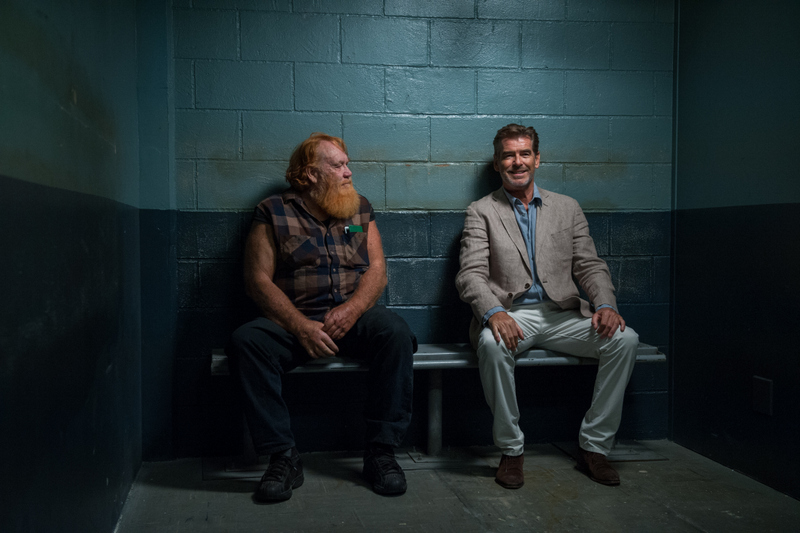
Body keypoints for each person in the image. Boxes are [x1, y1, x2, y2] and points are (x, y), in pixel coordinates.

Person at [226, 133, 416, 502]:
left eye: (347, 164)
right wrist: (300, 327)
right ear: (311, 174)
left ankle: (381, 452)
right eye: (338, 165)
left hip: (352, 318)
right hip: (295, 323)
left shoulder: (359, 210)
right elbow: (257, 280)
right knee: (246, 342)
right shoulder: (273, 211)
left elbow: (377, 270)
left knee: (396, 333)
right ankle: (283, 457)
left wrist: (352, 309)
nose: (348, 172)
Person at [455, 124, 639, 488]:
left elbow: (589, 265)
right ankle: (511, 450)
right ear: (498, 162)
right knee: (491, 345)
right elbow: (470, 275)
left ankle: (595, 447)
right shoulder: (481, 211)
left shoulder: (567, 207)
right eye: (508, 155)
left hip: (562, 314)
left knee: (625, 340)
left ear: (537, 159)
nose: (517, 162)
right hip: (511, 314)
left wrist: (604, 303)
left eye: (524, 154)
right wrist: (494, 313)